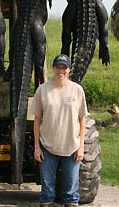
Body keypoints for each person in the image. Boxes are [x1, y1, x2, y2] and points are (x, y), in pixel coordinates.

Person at [30, 54, 88, 207]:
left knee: (70, 193)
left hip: (71, 147)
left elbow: (82, 119)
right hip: (47, 146)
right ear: (53, 68)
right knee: (47, 192)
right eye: (58, 67)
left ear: (69, 70)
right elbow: (37, 120)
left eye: (64, 68)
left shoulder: (77, 90)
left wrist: (81, 146)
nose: (60, 71)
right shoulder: (43, 90)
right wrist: (37, 147)